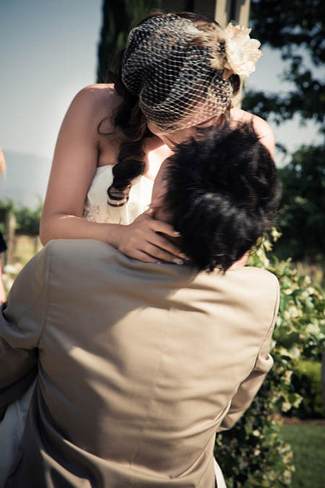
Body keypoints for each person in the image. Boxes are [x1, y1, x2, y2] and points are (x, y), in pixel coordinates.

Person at [0, 122, 281, 487]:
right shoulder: (260, 296)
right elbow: (227, 416)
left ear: (161, 197)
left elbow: (5, 371)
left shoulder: (64, 266)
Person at [39, 11, 275, 267]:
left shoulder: (252, 136)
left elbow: (238, 256)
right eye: (173, 121)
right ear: (146, 100)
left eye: (204, 123)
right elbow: (52, 227)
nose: (188, 137)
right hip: (89, 283)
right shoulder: (94, 106)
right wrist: (118, 235)